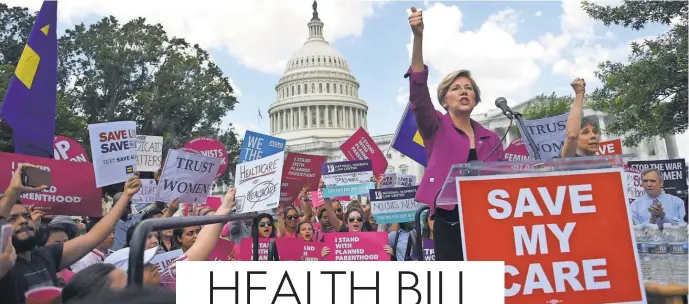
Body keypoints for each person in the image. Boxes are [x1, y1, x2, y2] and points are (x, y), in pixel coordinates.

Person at [406, 7, 504, 261]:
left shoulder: (492, 139)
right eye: (456, 88)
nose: (463, 92)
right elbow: (417, 93)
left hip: (489, 217)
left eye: (469, 88)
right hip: (450, 220)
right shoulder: (435, 127)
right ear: (444, 100)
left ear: (475, 98)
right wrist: (418, 38)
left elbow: (503, 181)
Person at [0, 165, 142, 304]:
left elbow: (93, 236)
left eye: (26, 215)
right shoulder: (4, 266)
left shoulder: (46, 256)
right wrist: (13, 192)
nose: (23, 221)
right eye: (12, 218)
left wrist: (126, 196)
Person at [560, 78, 600, 158]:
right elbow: (572, 136)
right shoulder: (566, 162)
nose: (593, 136)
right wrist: (579, 94)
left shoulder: (604, 164)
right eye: (585, 132)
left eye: (595, 132)